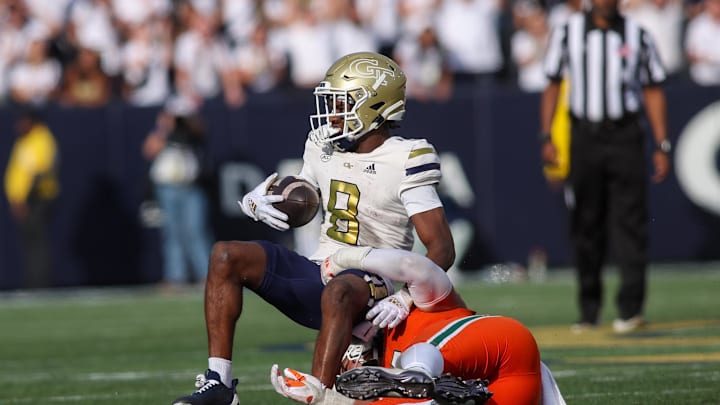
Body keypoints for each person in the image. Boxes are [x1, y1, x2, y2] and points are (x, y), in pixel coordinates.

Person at [171, 51, 456, 405]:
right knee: (225, 254)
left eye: (342, 103)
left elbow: (442, 248)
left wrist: (407, 296)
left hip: (370, 284)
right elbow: (302, 197)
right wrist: (263, 202)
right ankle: (219, 385)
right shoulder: (322, 143)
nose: (332, 113)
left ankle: (320, 394)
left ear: (374, 106)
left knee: (337, 290)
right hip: (320, 268)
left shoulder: (407, 157)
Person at [271, 246, 567, 405]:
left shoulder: (413, 308)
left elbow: (418, 268)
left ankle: (418, 375)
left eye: (347, 369)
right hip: (511, 387)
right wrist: (328, 399)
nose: (351, 374)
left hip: (498, 344)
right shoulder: (383, 389)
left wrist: (345, 257)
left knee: (422, 361)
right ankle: (418, 379)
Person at [539, 0, 671, 334]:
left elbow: (654, 87)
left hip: (626, 134)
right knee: (586, 223)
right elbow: (552, 83)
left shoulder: (637, 33)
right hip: (585, 135)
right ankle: (589, 309)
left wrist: (661, 143)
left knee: (631, 223)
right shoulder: (569, 32)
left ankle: (631, 308)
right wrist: (546, 136)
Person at [143, 96, 214, 288]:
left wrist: (189, 121)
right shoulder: (164, 132)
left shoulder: (194, 132)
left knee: (195, 230)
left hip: (191, 186)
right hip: (167, 187)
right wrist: (165, 126)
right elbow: (149, 150)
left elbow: (201, 131)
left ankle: (207, 276)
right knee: (172, 233)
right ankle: (176, 277)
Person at [3, 110, 60, 288]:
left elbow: (40, 173)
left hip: (36, 199)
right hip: (25, 200)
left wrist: (24, 199)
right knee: (30, 242)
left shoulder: (42, 139)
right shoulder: (25, 140)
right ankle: (33, 281)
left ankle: (39, 283)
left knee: (37, 242)